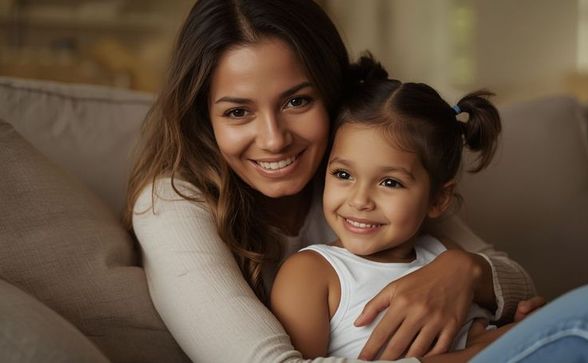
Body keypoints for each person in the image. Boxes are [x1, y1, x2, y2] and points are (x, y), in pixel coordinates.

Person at [125, 0, 537, 361]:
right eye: (237, 112)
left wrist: (463, 271)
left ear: (332, 94)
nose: (274, 140)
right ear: (203, 118)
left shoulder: (359, 173)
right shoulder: (171, 204)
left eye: (297, 101)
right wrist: (481, 356)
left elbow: (516, 281)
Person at [270, 55, 503, 360]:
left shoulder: (444, 253)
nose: (360, 200)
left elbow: (510, 310)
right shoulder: (311, 275)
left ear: (438, 200)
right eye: (343, 175)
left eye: (390, 183)